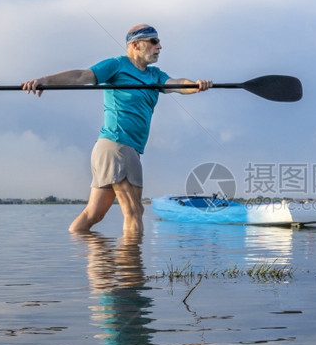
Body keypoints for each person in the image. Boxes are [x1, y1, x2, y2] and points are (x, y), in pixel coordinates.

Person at [22, 24, 212, 234]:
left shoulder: (155, 75)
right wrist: (44, 80)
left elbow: (177, 84)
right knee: (134, 211)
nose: (159, 46)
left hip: (116, 149)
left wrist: (196, 85)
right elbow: (80, 76)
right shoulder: (117, 65)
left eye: (158, 41)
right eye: (153, 41)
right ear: (135, 45)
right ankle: (131, 267)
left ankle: (89, 262)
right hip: (118, 146)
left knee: (94, 214)